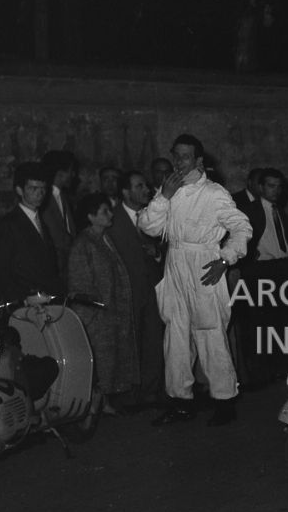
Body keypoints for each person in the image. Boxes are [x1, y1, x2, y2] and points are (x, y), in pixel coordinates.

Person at [138, 134, 253, 426]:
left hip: (204, 267)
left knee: (211, 334)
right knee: (175, 337)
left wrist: (226, 258)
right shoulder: (170, 191)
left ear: (199, 161)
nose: (178, 162)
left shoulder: (214, 194)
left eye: (185, 157)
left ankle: (225, 401)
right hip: (175, 266)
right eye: (175, 156)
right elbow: (148, 226)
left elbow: (242, 228)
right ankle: (180, 402)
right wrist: (163, 196)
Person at [67, 193, 139, 413]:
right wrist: (93, 310)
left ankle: (104, 401)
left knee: (110, 359)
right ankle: (94, 403)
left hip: (111, 311)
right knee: (100, 359)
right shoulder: (84, 244)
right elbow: (80, 282)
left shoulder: (105, 239)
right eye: (104, 211)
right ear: (91, 216)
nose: (110, 215)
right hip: (96, 315)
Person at [231, 166, 288, 387]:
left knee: (285, 322)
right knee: (261, 323)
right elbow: (237, 237)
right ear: (260, 187)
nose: (275, 191)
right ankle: (262, 373)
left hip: (284, 269)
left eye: (279, 187)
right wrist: (249, 257)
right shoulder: (250, 210)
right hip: (262, 271)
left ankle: (282, 369)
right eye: (271, 186)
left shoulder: (281, 212)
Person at [108, 170, 165, 409]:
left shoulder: (153, 215)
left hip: (152, 289)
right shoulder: (112, 219)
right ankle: (130, 394)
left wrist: (158, 253)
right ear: (125, 191)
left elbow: (165, 245)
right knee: (130, 344)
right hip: (127, 292)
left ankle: (151, 391)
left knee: (153, 341)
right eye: (139, 186)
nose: (146, 190)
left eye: (146, 184)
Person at [0, 161, 65, 303]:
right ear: (19, 190)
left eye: (43, 188)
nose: (40, 193)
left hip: (46, 301)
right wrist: (23, 299)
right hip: (25, 307)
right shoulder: (9, 224)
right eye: (33, 188)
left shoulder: (40, 222)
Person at [40, 149, 79, 287]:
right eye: (71, 170)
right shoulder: (44, 200)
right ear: (60, 173)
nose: (73, 175)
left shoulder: (62, 197)